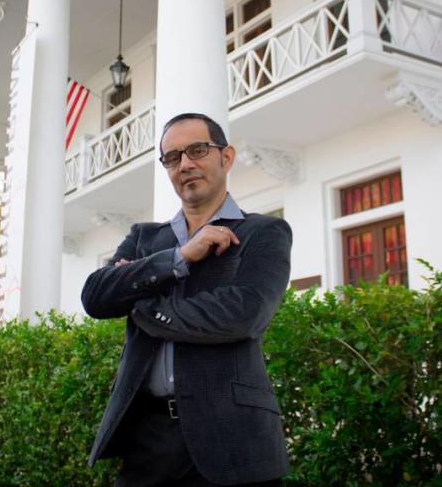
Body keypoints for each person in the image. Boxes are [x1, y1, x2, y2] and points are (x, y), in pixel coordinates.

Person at [82, 112, 292, 486]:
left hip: (234, 439)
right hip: (148, 440)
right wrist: (179, 258)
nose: (186, 165)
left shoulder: (264, 232)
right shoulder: (145, 239)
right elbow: (96, 296)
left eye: (198, 150)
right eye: (173, 157)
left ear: (226, 157)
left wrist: (143, 303)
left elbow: (243, 315)